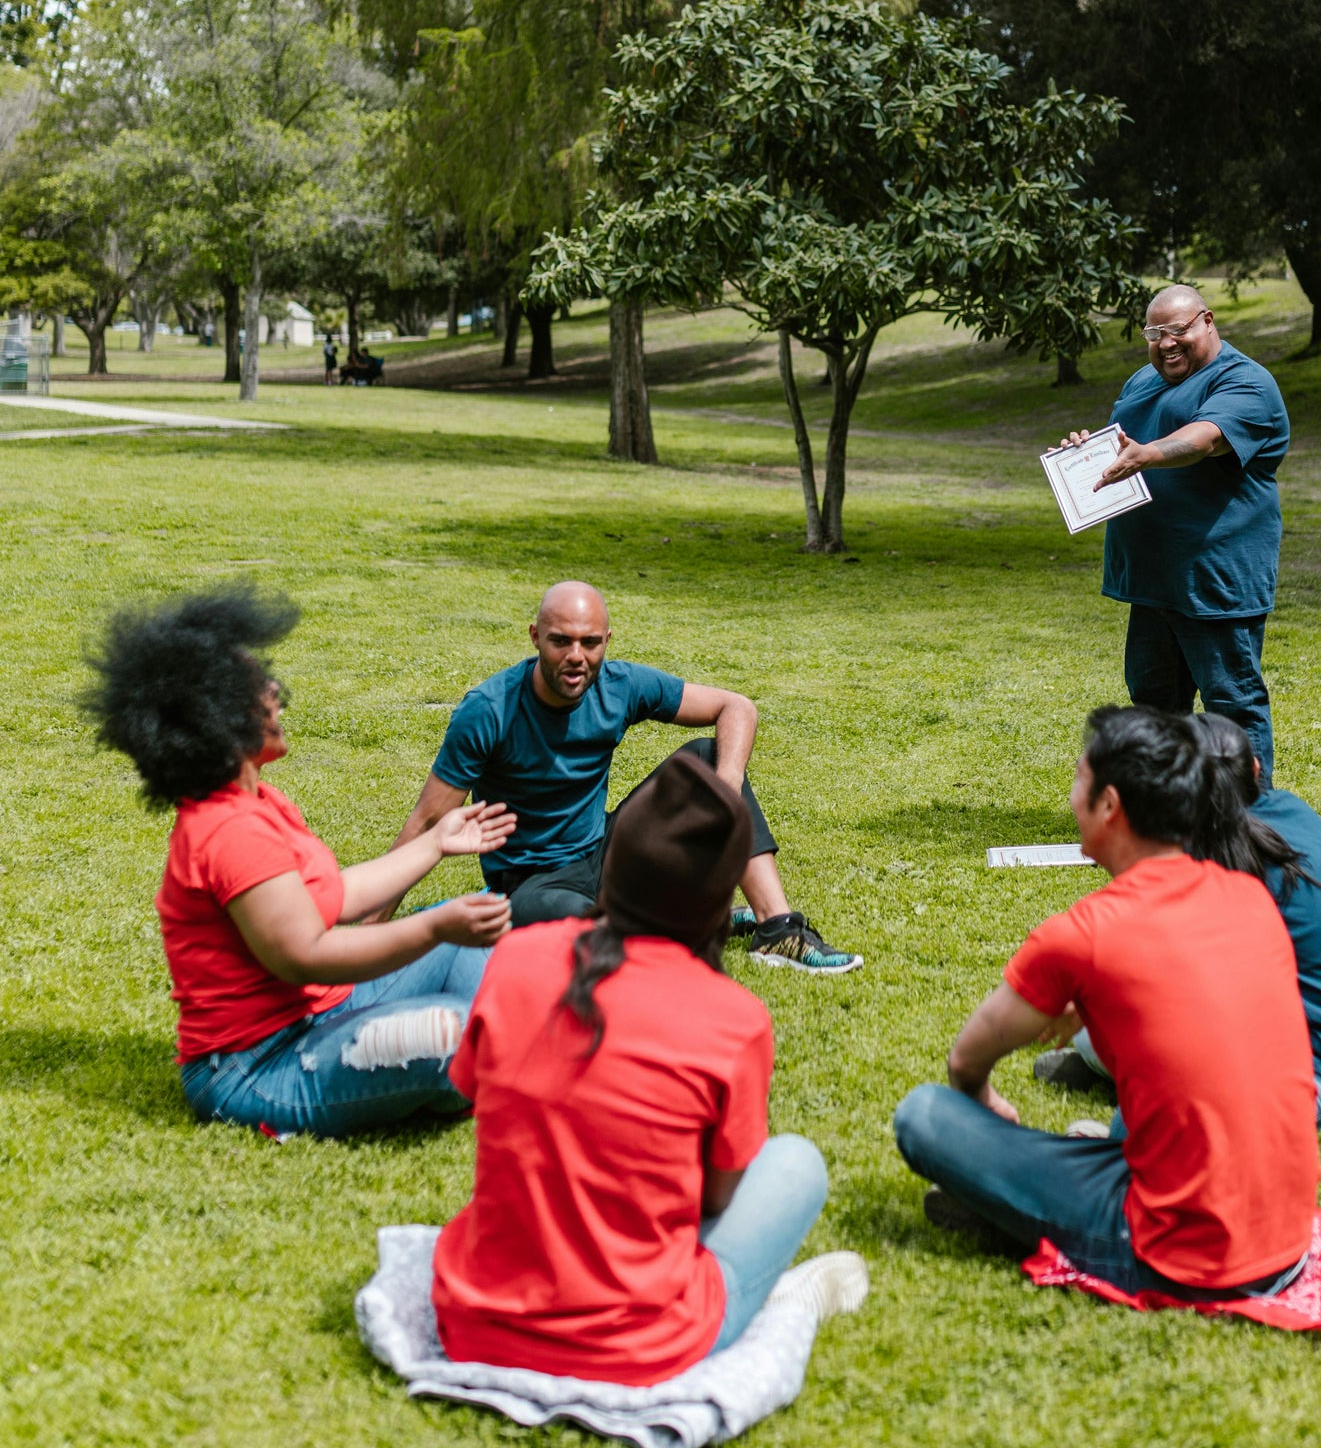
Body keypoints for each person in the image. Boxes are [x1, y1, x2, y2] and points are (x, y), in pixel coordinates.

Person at [432, 750, 868, 1381]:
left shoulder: (517, 956)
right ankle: (760, 1304)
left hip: (475, 1324)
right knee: (794, 1164)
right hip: (638, 1346)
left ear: (613, 871)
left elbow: (472, 1090)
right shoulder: (733, 1018)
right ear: (721, 902)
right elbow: (717, 1194)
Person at [894, 705, 1321, 1299]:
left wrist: (981, 1103)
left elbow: (966, 1060)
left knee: (925, 1116)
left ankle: (1015, 1216)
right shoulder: (1248, 898)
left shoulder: (1085, 933)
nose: (1071, 796)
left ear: (1110, 806)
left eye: (1077, 780)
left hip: (1178, 1252)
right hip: (1285, 1234)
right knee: (1118, 1132)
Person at [81, 583, 515, 1137]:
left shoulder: (257, 800)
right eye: (260, 688)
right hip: (256, 1067)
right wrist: (430, 927)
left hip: (322, 1013)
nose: (275, 696)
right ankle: (455, 1066)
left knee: (484, 924)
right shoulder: (228, 830)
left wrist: (434, 844)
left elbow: (335, 896)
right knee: (451, 1031)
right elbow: (305, 955)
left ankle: (455, 1065)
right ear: (218, 715)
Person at [384, 580, 861, 974]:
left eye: (590, 643)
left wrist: (726, 787)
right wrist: (372, 928)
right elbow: (429, 822)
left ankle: (776, 930)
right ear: (534, 637)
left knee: (707, 757)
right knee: (592, 941)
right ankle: (680, 920)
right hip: (533, 883)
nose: (576, 656)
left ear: (607, 641)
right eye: (560, 641)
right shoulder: (489, 711)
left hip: (607, 854)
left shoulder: (620, 685)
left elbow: (736, 707)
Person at [1040, 716, 1321, 1129]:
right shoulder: (1291, 811)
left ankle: (1120, 1142)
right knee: (1111, 1031)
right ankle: (1107, 1068)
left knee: (1139, 1039)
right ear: (1255, 770)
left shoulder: (1206, 866)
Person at [1061, 284, 1289, 781]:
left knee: (1231, 708)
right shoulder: (1142, 381)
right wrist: (1087, 450)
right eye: (1154, 333)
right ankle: (1168, 818)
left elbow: (1205, 439)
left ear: (1207, 321)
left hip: (1214, 578)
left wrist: (1151, 453)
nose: (1166, 343)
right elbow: (1121, 444)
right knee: (1155, 709)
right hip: (1151, 577)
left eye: (1178, 330)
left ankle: (1251, 823)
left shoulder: (1244, 382)